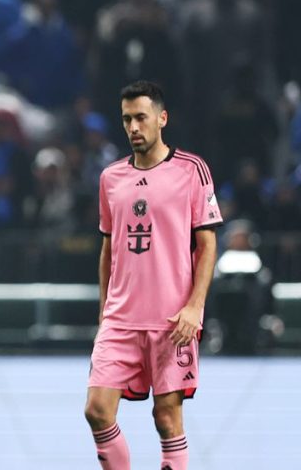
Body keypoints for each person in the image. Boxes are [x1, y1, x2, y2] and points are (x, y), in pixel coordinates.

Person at [85, 81, 222, 470]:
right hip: (120, 320)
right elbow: (109, 248)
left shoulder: (191, 170)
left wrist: (194, 308)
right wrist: (104, 313)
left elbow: (207, 245)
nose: (133, 127)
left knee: (166, 418)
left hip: (172, 320)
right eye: (126, 119)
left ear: (162, 119)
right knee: (96, 410)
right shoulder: (110, 178)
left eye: (141, 117)